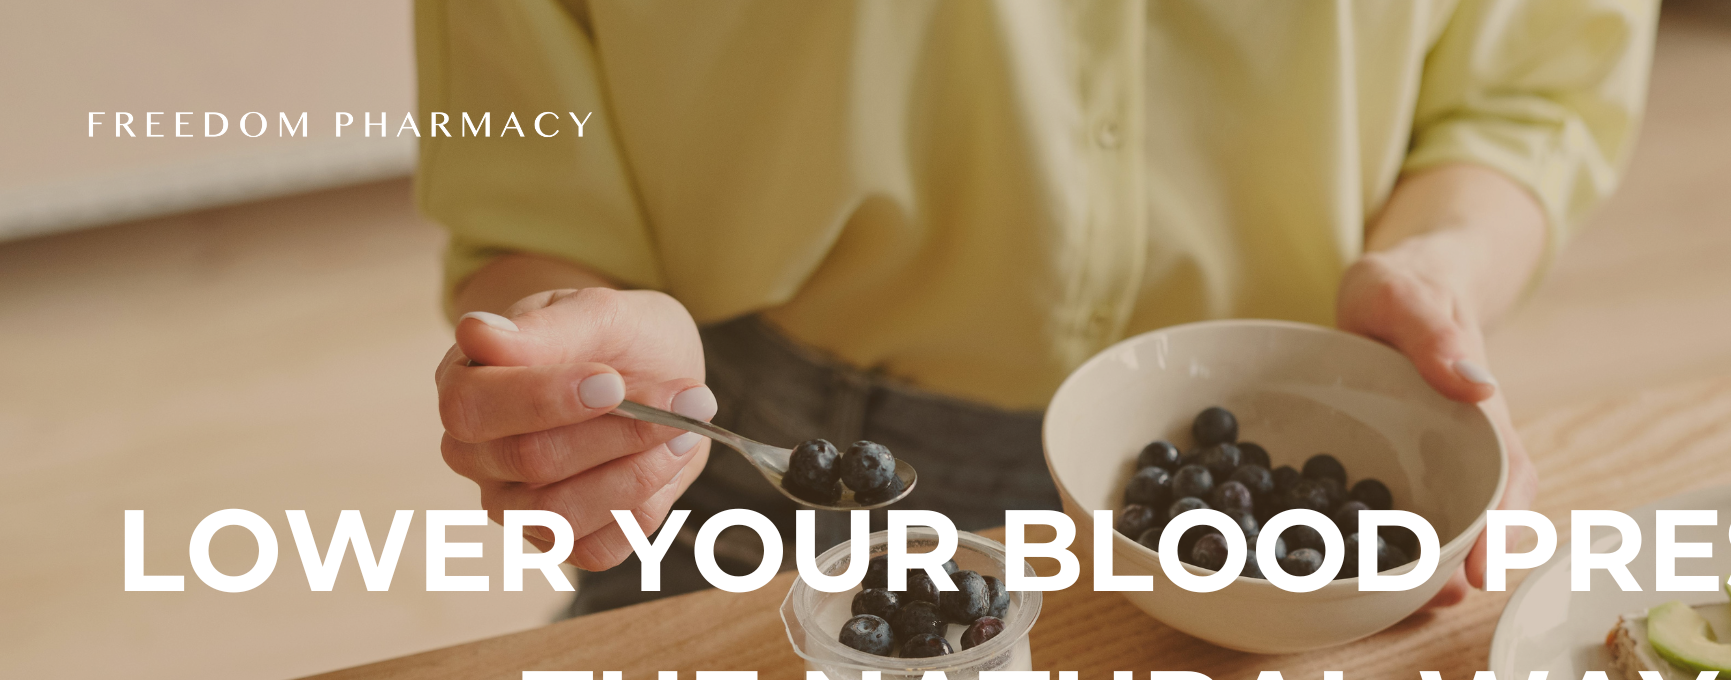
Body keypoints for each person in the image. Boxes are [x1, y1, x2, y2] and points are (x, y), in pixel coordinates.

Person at [418, 1, 1657, 615]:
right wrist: (562, 346)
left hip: (1279, 495)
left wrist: (1437, 269)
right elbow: (531, 170)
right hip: (741, 469)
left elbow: (1528, 91)